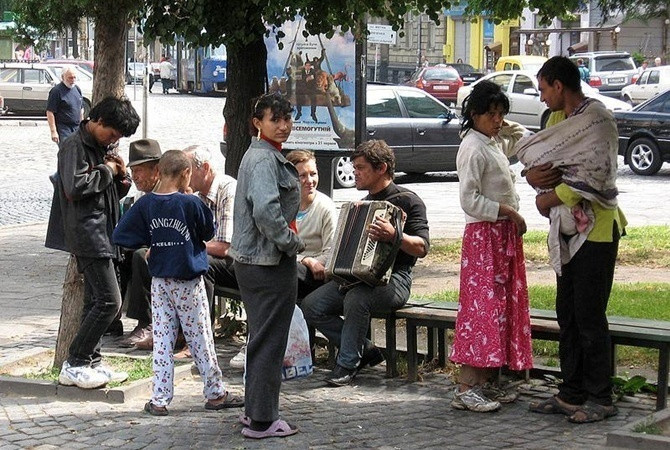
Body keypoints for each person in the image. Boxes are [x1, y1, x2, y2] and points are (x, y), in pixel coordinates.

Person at [522, 56, 626, 424]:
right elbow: (543, 165)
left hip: (597, 230)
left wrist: (551, 197)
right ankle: (571, 391)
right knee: (567, 314)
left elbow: (598, 177)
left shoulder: (599, 120)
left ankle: (601, 396)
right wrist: (535, 179)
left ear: (558, 85)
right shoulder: (554, 121)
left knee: (589, 315)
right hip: (564, 231)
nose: (541, 96)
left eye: (543, 89)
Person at [112, 150, 244, 416]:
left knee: (162, 340)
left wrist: (153, 241)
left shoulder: (146, 204)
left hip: (160, 281)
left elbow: (121, 234)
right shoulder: (191, 204)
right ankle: (215, 393)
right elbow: (208, 231)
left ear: (159, 172)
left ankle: (159, 399)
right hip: (188, 281)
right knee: (201, 337)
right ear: (186, 174)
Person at [301, 139, 430, 387]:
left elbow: (422, 247)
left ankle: (347, 363)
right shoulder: (362, 203)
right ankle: (366, 350)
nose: (354, 173)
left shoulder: (409, 201)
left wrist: (395, 235)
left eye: (360, 168)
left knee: (357, 299)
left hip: (395, 279)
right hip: (355, 279)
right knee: (312, 305)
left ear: (381, 168)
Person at [45, 96, 140, 389]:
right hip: (88, 234)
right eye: (112, 134)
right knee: (111, 301)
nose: (114, 140)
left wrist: (122, 176)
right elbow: (74, 187)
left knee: (95, 302)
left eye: (119, 137)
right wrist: (108, 171)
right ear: (97, 121)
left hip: (105, 231)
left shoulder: (100, 147)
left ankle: (91, 362)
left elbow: (110, 194)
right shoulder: (74, 145)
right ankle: (75, 361)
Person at [449, 80, 532, 413]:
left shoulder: (492, 141)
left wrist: (503, 122)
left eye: (501, 114)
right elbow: (469, 199)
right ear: (474, 114)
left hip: (501, 236)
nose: (497, 120)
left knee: (498, 309)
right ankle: (466, 386)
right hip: (485, 237)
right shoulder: (472, 147)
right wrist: (508, 212)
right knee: (481, 310)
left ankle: (485, 383)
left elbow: (523, 137)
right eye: (491, 114)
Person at [229, 93, 304, 439]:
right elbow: (266, 213)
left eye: (287, 119)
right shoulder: (263, 160)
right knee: (269, 341)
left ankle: (255, 410)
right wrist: (292, 244)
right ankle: (261, 419)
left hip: (258, 261)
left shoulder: (264, 155)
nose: (284, 126)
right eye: (276, 119)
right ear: (258, 123)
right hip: (268, 262)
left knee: (262, 338)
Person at [183, 145, 240, 363]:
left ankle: (199, 342)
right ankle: (180, 334)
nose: (184, 176)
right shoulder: (198, 197)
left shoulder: (228, 189)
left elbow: (226, 247)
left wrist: (188, 246)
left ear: (205, 168)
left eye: (188, 170)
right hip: (219, 258)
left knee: (200, 264)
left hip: (239, 262)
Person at [116, 139, 163, 348]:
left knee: (140, 256)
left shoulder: (170, 193)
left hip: (170, 251)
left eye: (140, 170)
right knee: (118, 253)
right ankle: (111, 317)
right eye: (132, 170)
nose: (135, 176)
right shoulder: (141, 196)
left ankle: (147, 322)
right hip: (151, 247)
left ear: (157, 170)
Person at [285, 150, 338, 299]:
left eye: (313, 174)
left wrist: (309, 262)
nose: (309, 180)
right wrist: (305, 259)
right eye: (302, 175)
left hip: (315, 274)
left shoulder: (325, 207)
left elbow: (330, 254)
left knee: (285, 270)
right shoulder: (282, 205)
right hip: (292, 265)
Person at [46, 65, 83, 145]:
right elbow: (50, 112)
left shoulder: (77, 89)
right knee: (67, 152)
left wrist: (82, 127)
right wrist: (53, 131)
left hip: (76, 128)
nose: (72, 80)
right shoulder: (56, 91)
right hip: (63, 128)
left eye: (74, 77)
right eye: (70, 78)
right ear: (63, 77)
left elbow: (80, 109)